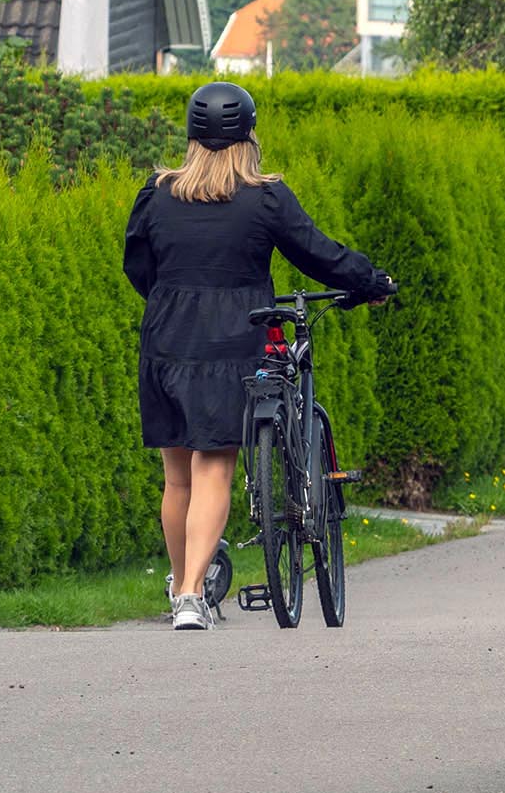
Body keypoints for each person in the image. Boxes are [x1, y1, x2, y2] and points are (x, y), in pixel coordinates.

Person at [124, 82, 394, 631]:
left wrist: (176, 299)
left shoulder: (156, 193)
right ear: (249, 135)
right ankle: (194, 595)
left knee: (177, 477)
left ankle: (183, 591)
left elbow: (138, 268)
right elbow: (319, 253)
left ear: (192, 137)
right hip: (234, 339)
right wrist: (371, 281)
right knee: (214, 465)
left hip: (166, 341)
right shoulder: (264, 197)